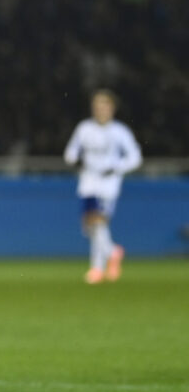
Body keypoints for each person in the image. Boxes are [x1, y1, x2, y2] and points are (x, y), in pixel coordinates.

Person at [63, 88, 141, 283]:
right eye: (97, 105)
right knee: (91, 227)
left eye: (105, 105)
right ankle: (111, 253)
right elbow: (70, 151)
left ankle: (98, 267)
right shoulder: (84, 128)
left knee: (98, 222)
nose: (101, 109)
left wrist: (116, 168)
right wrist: (75, 161)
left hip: (108, 184)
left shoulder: (120, 131)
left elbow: (135, 157)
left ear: (112, 108)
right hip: (88, 182)